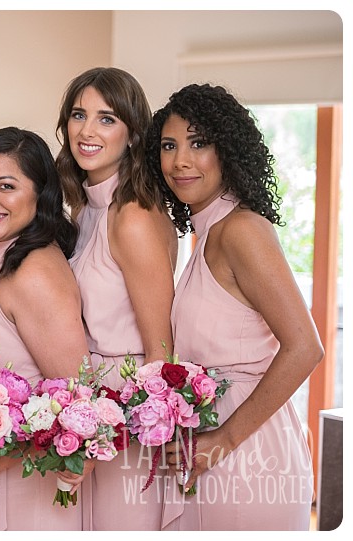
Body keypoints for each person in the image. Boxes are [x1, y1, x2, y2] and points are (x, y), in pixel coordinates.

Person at [145, 83, 321, 530]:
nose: (180, 160)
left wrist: (223, 438)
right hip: (214, 445)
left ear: (228, 150)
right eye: (169, 145)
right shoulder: (207, 234)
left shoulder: (241, 229)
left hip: (247, 449)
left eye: (198, 143)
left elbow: (305, 346)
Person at [0, 127, 90, 530]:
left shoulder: (33, 269)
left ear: (39, 194)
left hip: (20, 493)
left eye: (6, 186)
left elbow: (76, 405)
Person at [55, 67, 178, 530]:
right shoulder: (85, 207)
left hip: (125, 419)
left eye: (106, 119)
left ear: (132, 134)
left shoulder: (132, 217)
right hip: (89, 409)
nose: (87, 131)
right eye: (78, 115)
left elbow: (160, 352)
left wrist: (109, 431)